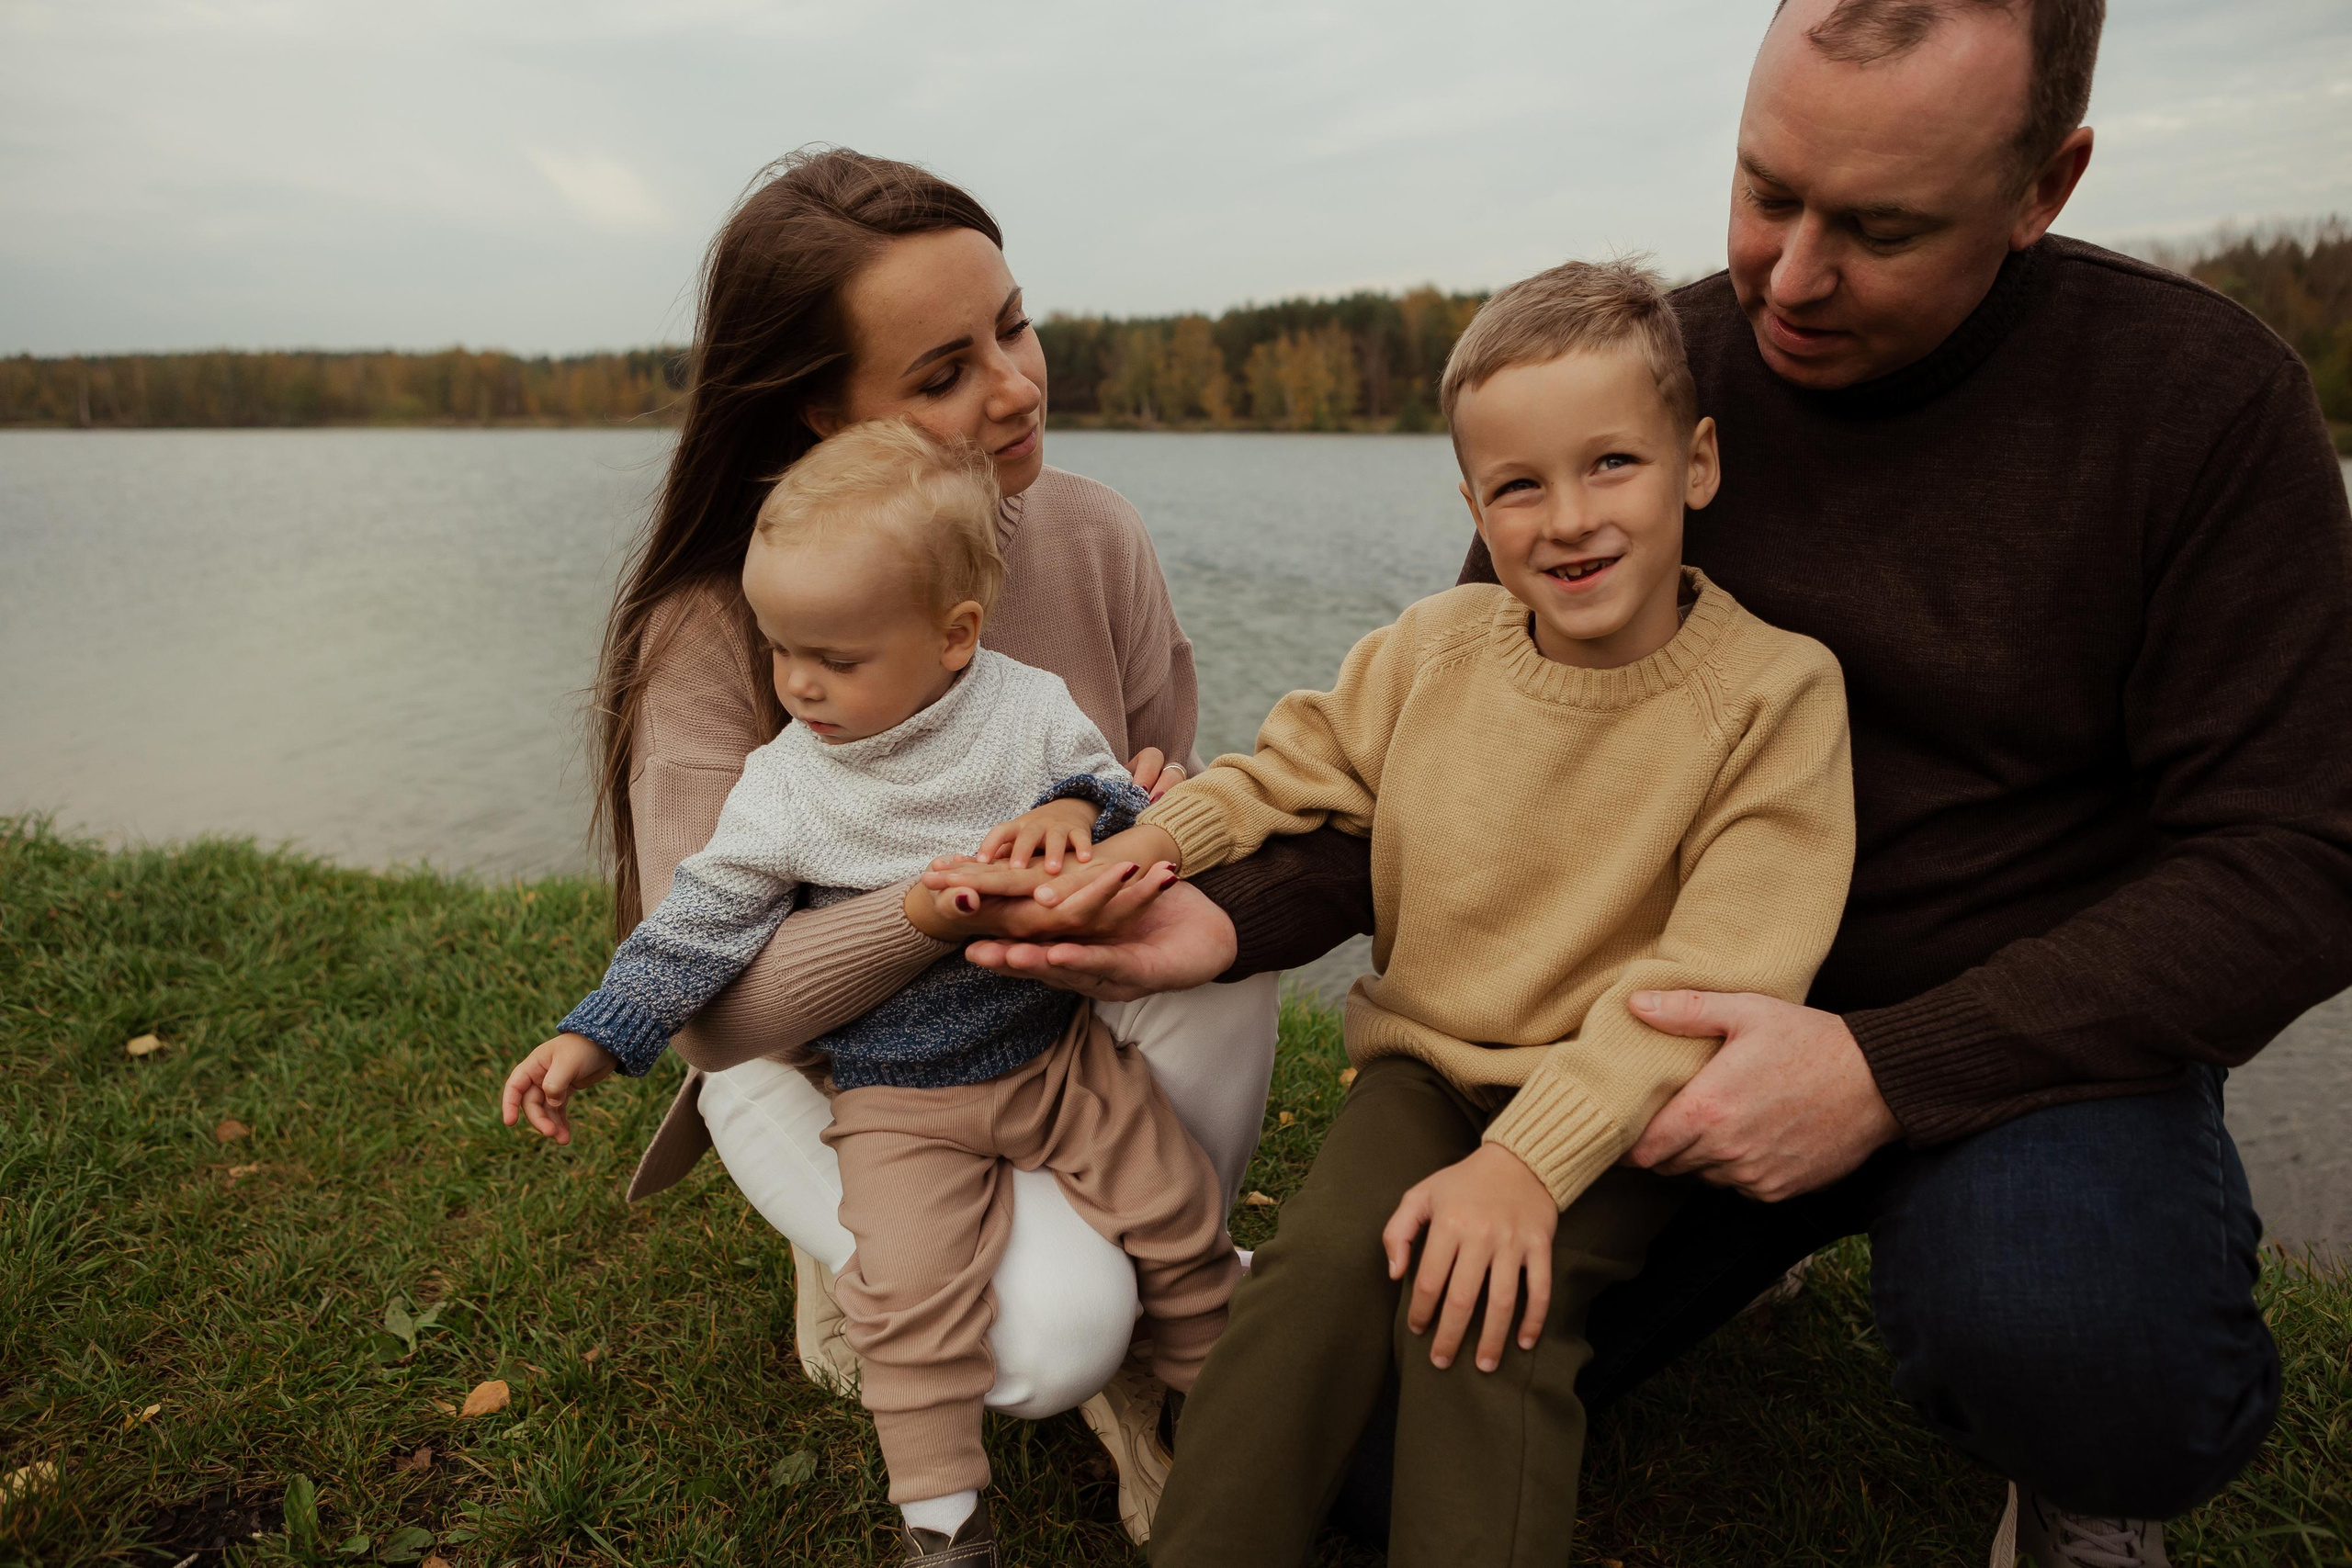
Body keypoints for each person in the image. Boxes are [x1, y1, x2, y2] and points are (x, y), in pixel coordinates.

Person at [944, 1, 2352, 1562]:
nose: (1792, 278)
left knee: (2078, 1339)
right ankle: (1719, 1257)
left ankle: (2070, 1458)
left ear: (2046, 185)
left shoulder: (2202, 409)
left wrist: (1889, 1069)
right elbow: (1443, 763)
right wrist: (1216, 913)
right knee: (1351, 1436)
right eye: (1766, 191)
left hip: (2003, 1036)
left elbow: (2297, 857)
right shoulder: (1624, 373)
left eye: (1881, 227)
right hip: (1626, 1050)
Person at [531, 146, 1283, 1543]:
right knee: (1057, 1343)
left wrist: (1143, 822)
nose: (1014, 384)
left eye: (1013, 324)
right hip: (813, 1061)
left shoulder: (1094, 533)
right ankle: (907, 1288)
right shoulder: (721, 631)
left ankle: (1178, 1305)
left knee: (1233, 953)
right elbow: (717, 1012)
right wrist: (930, 915)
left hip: (1043, 1024)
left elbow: (1143, 776)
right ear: (825, 420)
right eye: (943, 373)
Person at [1102, 258, 1851, 1563]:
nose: (1566, 520)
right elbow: (1291, 769)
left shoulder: (1775, 695)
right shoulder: (1431, 651)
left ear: (1698, 462)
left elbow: (1721, 974)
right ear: (1474, 506)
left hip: (1633, 1105)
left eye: (1611, 463)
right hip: (1429, 1076)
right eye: (1519, 485)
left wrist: (1525, 1168)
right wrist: (1157, 838)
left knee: (1485, 1319)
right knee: (1316, 1281)